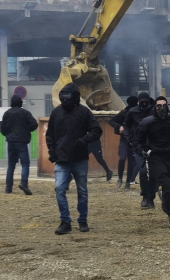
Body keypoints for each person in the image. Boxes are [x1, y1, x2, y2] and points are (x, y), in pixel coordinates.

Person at [46, 83, 102, 235]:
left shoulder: (84, 112)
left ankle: (82, 220)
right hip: (62, 159)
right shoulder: (57, 112)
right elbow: (50, 134)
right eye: (62, 96)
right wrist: (52, 151)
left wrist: (84, 140)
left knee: (82, 191)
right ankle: (65, 222)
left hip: (79, 159)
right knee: (59, 189)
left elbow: (97, 130)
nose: (64, 99)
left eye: (67, 96)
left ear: (75, 97)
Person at [133, 96, 170, 229]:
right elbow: (137, 139)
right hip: (156, 157)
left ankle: (165, 198)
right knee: (166, 184)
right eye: (159, 106)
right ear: (155, 107)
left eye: (164, 105)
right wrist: (142, 151)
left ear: (167, 106)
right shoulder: (147, 122)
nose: (162, 108)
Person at [0, 95, 38, 195]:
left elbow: (2, 130)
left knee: (11, 165)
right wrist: (26, 130)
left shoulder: (6, 113)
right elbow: (34, 124)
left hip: (11, 142)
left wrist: (8, 135)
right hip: (22, 142)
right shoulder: (25, 113)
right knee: (25, 164)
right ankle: (24, 183)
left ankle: (8, 188)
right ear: (20, 103)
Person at [123, 91, 154, 207]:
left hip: (152, 145)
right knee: (142, 172)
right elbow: (125, 125)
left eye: (146, 102)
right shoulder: (132, 112)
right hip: (138, 145)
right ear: (139, 102)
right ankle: (145, 196)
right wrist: (129, 138)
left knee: (153, 172)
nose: (144, 104)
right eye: (142, 102)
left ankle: (151, 197)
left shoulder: (153, 111)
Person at [108, 96, 138, 188]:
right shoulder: (124, 113)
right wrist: (119, 126)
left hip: (134, 140)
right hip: (124, 139)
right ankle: (120, 178)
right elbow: (111, 121)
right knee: (122, 158)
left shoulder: (138, 113)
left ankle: (128, 182)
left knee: (132, 162)